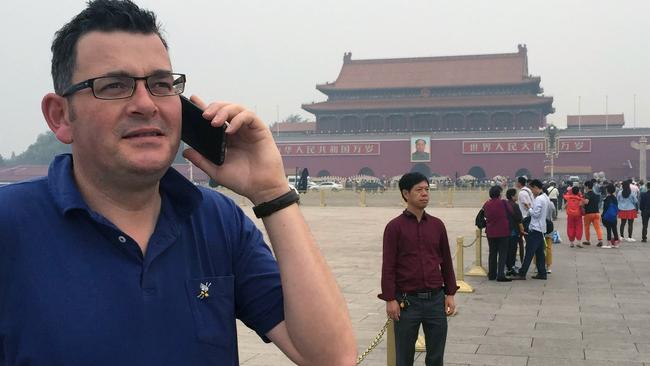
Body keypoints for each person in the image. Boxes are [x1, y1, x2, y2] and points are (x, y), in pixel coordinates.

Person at [0, 1, 356, 365]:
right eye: (114, 85)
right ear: (60, 116)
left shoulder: (217, 221)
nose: (146, 104)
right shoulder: (11, 224)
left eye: (161, 84)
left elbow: (331, 358)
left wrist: (272, 193)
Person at [380, 172, 458, 366]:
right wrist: (390, 299)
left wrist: (450, 293)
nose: (425, 194)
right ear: (406, 194)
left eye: (427, 189)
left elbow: (446, 262)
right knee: (404, 357)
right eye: (419, 190)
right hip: (407, 302)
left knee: (435, 357)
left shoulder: (437, 225)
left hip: (435, 301)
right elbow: (388, 265)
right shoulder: (394, 227)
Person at [512, 179, 548, 280]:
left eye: (532, 189)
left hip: (535, 228)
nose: (531, 191)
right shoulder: (545, 197)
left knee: (529, 252)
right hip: (541, 228)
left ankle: (522, 273)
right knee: (539, 253)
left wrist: (529, 208)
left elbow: (535, 214)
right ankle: (542, 273)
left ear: (536, 187)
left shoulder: (539, 199)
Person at [482, 186, 514, 282]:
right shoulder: (503, 203)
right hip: (503, 231)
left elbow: (484, 215)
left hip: (491, 232)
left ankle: (492, 274)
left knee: (492, 253)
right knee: (502, 253)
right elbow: (511, 212)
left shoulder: (486, 204)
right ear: (499, 193)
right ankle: (500, 274)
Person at [505, 188, 525, 276]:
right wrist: (522, 230)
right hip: (513, 230)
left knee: (507, 250)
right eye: (516, 195)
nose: (517, 196)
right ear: (512, 196)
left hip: (505, 231)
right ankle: (511, 267)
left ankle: (508, 266)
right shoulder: (515, 205)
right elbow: (519, 219)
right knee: (513, 250)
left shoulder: (505, 204)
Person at [582, 180, 604, 247]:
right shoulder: (596, 195)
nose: (584, 188)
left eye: (585, 186)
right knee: (598, 227)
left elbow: (586, 202)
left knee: (587, 227)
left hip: (588, 214)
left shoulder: (587, 194)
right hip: (597, 213)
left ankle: (588, 241)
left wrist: (581, 201)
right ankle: (600, 240)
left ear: (587, 186)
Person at [601, 184, 619, 248]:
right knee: (614, 229)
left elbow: (605, 208)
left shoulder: (607, 198)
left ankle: (609, 243)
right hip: (614, 216)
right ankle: (616, 243)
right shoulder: (615, 198)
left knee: (609, 229)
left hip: (607, 217)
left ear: (607, 190)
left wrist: (602, 216)